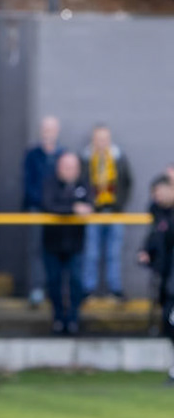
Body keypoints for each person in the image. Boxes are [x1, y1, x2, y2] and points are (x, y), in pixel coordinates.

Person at [40, 151, 93, 335]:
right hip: (52, 243)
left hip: (75, 243)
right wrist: (73, 208)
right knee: (54, 282)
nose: (70, 171)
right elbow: (49, 205)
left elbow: (89, 206)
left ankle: (73, 319)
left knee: (76, 282)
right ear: (59, 168)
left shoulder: (83, 184)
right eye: (66, 167)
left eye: (73, 167)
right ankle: (58, 318)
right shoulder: (50, 183)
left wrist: (74, 208)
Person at [81, 124, 133, 298]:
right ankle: (89, 288)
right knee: (91, 253)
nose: (101, 142)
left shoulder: (118, 158)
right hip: (94, 212)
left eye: (104, 139)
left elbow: (127, 182)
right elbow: (82, 182)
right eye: (98, 139)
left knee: (114, 253)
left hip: (114, 211)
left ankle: (115, 288)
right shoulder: (86, 158)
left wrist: (119, 204)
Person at [22, 116, 62, 306]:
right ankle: (37, 287)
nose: (48, 133)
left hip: (57, 211)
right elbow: (29, 184)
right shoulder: (33, 154)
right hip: (38, 209)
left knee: (56, 250)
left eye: (51, 129)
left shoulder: (63, 155)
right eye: (45, 129)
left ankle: (56, 288)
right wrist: (43, 202)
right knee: (36, 249)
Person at [136, 175, 174, 380]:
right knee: (168, 322)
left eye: (160, 191)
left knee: (171, 319)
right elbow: (155, 239)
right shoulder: (159, 213)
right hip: (166, 279)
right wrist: (146, 252)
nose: (157, 196)